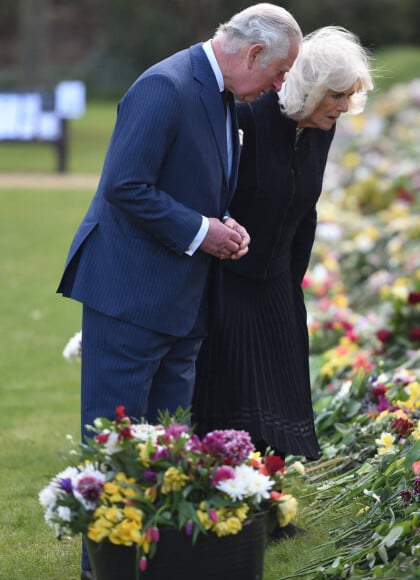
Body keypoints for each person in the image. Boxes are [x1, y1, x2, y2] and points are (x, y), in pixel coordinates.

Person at [56, 4, 301, 578]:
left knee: (167, 445)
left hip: (183, 300)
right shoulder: (164, 86)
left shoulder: (223, 95)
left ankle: (159, 559)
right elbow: (124, 185)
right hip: (131, 294)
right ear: (254, 53)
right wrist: (201, 231)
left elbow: (194, 184)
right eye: (280, 70)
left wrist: (223, 226)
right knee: (116, 442)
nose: (280, 84)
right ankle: (106, 568)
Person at [192, 26, 373, 462]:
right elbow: (211, 198)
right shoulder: (249, 118)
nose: (345, 107)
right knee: (229, 397)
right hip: (227, 280)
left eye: (349, 96)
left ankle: (266, 494)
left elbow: (304, 210)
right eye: (337, 96)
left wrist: (292, 283)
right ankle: (229, 500)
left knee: (277, 399)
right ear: (309, 89)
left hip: (277, 283)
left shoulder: (320, 129)